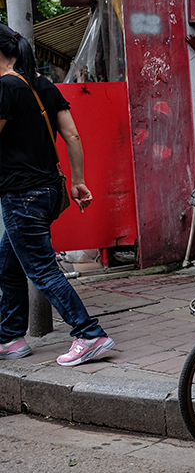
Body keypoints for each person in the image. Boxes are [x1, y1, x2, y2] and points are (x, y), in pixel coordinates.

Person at [0, 24, 114, 366]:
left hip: (22, 195)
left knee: (42, 269)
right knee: (7, 264)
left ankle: (89, 333)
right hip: (49, 191)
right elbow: (73, 137)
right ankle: (10, 338)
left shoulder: (6, 88)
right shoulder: (43, 85)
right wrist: (78, 182)